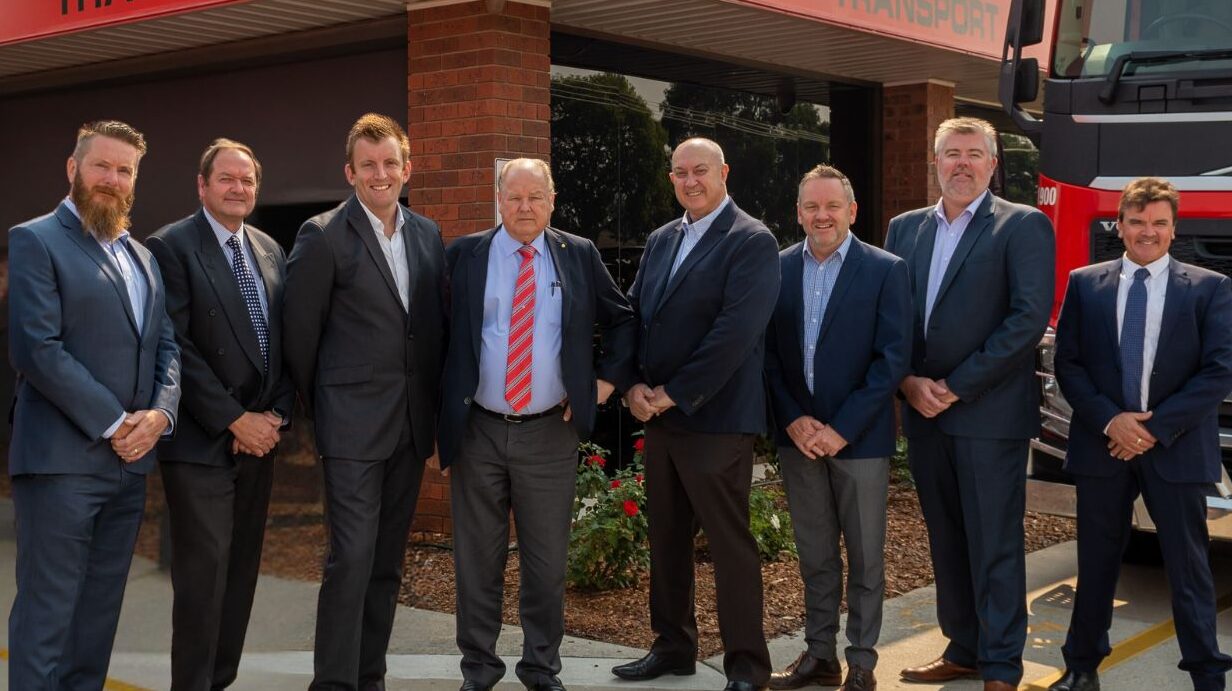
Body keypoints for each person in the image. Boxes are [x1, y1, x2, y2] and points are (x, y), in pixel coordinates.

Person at [439, 158, 635, 691]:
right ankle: (478, 669)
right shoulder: (463, 255)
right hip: (478, 430)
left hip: (550, 431)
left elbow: (621, 320)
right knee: (476, 563)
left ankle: (541, 668)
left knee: (546, 564)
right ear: (498, 199)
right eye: (514, 197)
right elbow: (431, 336)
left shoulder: (579, 255)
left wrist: (603, 385)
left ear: (552, 200)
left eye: (535, 197)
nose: (524, 208)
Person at [7, 120, 181, 690]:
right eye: (102, 165)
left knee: (98, 617)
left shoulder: (143, 257)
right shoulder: (35, 240)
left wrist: (159, 415)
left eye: (124, 170)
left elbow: (167, 347)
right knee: (48, 615)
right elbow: (38, 348)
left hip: (129, 467)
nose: (112, 179)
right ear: (73, 169)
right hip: (62, 463)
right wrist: (115, 422)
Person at [883, 117, 1054, 691]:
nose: (961, 163)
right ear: (935, 162)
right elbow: (892, 319)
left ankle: (1002, 666)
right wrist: (908, 381)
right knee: (947, 538)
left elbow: (1026, 319)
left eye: (973, 154)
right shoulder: (904, 229)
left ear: (992, 164)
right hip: (924, 413)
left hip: (987, 415)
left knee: (994, 543)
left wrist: (955, 386)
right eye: (950, 153)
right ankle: (963, 646)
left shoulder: (1023, 225)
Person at [283, 113, 447, 691]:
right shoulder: (322, 235)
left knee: (386, 564)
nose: (381, 174)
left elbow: (428, 330)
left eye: (391, 164)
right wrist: (325, 408)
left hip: (408, 426)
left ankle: (368, 677)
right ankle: (333, 683)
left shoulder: (427, 233)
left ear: (408, 168)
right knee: (350, 560)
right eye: (369, 165)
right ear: (350, 171)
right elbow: (299, 337)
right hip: (350, 429)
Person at [1049, 177, 1232, 691]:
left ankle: (1207, 678)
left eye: (1158, 223)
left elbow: (1219, 372)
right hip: (1102, 445)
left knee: (1190, 569)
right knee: (1097, 564)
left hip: (1173, 447)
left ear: (1173, 229)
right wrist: (1113, 421)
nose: (1146, 232)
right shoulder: (1086, 283)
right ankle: (1081, 668)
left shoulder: (1209, 287)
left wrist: (1154, 430)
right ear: (1120, 226)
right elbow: (1070, 364)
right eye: (1136, 222)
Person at [611, 137, 780, 691]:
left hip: (715, 420)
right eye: (680, 173)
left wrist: (674, 393)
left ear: (724, 172)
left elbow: (735, 334)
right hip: (661, 420)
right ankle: (674, 647)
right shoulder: (663, 239)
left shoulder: (751, 240)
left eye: (700, 170)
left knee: (729, 545)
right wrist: (633, 383)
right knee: (666, 540)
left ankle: (747, 667)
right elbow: (635, 315)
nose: (690, 181)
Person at [145, 138, 293, 691]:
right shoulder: (170, 247)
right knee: (203, 577)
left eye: (248, 180)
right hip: (203, 442)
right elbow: (175, 345)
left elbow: (281, 341)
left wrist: (274, 416)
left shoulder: (269, 249)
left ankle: (220, 681)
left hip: (259, 439)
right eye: (227, 179)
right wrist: (235, 419)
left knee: (240, 575)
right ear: (202, 185)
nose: (239, 188)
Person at [763, 165, 911, 691]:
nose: (820, 216)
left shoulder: (886, 269)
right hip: (798, 438)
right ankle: (819, 656)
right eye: (810, 207)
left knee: (867, 557)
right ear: (798, 213)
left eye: (831, 207)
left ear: (852, 211)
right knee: (816, 554)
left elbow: (892, 360)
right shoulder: (776, 268)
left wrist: (842, 428)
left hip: (860, 440)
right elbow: (767, 358)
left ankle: (863, 662)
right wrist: (793, 418)